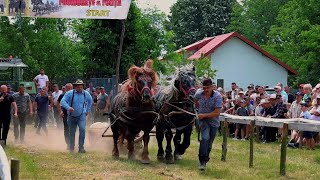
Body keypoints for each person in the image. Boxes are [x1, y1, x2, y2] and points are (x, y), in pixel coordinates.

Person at [194, 78, 222, 171]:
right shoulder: (198, 94)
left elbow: (217, 113)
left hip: (213, 122)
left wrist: (204, 115)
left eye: (208, 88)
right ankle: (202, 161)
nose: (206, 90)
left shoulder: (217, 96)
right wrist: (195, 111)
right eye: (204, 88)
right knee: (205, 138)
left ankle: (205, 158)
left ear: (212, 87)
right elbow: (192, 102)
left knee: (209, 143)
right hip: (203, 121)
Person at [60, 79, 92, 153]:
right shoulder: (69, 93)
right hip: (71, 116)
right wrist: (68, 107)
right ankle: (71, 147)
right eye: (78, 87)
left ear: (83, 86)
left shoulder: (86, 94)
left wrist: (87, 110)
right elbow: (62, 101)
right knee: (72, 132)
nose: (80, 88)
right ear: (75, 87)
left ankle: (81, 148)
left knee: (82, 130)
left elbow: (90, 101)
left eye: (81, 87)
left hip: (82, 115)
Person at [57, 83, 73, 150]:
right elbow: (57, 103)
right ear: (65, 88)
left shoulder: (75, 95)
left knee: (73, 129)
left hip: (73, 114)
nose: (69, 89)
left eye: (70, 88)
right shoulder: (62, 95)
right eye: (68, 88)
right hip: (65, 114)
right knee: (66, 129)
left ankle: (72, 143)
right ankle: (68, 144)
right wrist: (60, 111)